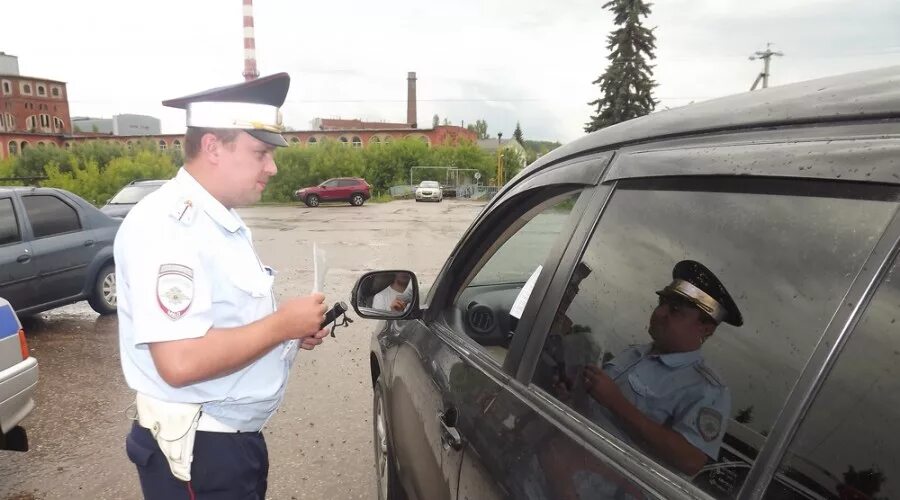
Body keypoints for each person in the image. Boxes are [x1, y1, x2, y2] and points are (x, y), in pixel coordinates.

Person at [116, 73, 330, 499]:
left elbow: (224, 323)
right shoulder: (170, 227)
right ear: (213, 146)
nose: (272, 167)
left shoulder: (218, 222)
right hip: (201, 453)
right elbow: (179, 362)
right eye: (260, 153)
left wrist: (285, 333)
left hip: (227, 443)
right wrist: (279, 327)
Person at [580, 260, 743, 476]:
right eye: (661, 303)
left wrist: (615, 401)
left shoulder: (708, 389)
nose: (659, 313)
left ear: (706, 328)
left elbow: (691, 460)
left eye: (675, 310)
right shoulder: (635, 353)